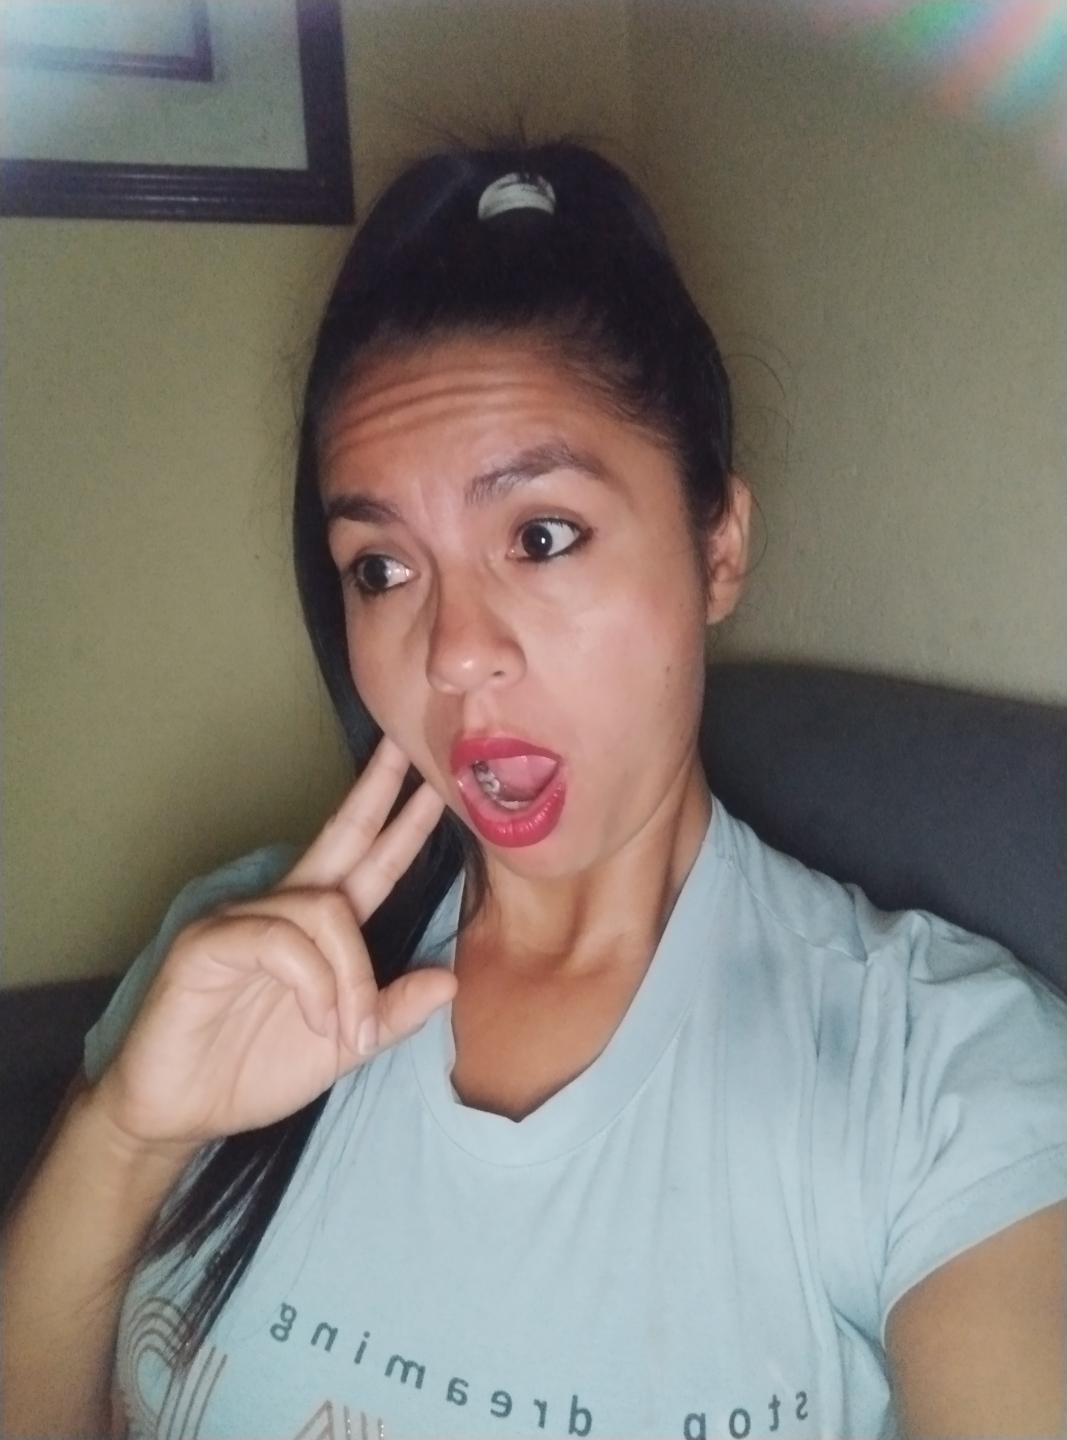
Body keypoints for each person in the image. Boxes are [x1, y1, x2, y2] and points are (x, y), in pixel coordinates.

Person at [2, 136, 1064, 1440]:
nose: (453, 653)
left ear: (718, 547)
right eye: (381, 568)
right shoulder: (232, 958)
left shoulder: (938, 1075)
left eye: (541, 535)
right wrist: (123, 1137)